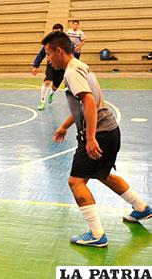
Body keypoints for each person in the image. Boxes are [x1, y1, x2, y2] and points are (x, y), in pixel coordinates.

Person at [42, 31, 151, 247]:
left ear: (59, 50)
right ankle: (142, 208)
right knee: (103, 174)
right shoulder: (81, 67)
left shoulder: (71, 72)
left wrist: (90, 138)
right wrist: (64, 126)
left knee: (76, 181)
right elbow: (83, 106)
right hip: (110, 130)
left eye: (48, 54)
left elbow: (89, 103)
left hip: (100, 133)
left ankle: (96, 234)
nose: (48, 59)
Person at [31, 23, 66, 111]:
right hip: (51, 64)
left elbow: (70, 54)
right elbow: (41, 54)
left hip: (62, 66)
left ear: (62, 32)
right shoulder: (48, 43)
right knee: (47, 81)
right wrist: (36, 65)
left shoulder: (66, 42)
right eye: (55, 32)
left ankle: (52, 93)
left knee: (55, 87)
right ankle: (42, 101)